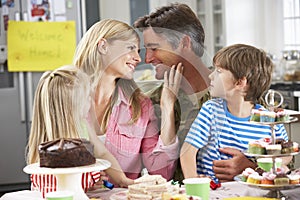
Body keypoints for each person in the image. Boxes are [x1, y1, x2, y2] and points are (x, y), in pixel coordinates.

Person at [73, 19, 182, 182]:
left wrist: (167, 106)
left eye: (138, 51)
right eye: (131, 48)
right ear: (103, 46)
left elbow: (161, 173)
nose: (138, 59)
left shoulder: (140, 106)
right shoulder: (67, 96)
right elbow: (46, 161)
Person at [180, 44, 291, 184]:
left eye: (218, 71)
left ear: (239, 82)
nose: (210, 75)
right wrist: (194, 183)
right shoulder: (211, 110)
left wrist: (270, 166)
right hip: (216, 193)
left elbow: (285, 156)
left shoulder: (269, 120)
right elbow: (187, 152)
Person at [25, 65, 133, 197]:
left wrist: (121, 179)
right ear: (71, 107)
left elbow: (103, 153)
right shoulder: (47, 148)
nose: (90, 101)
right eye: (87, 97)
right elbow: (54, 190)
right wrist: (86, 184)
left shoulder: (83, 125)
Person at [133, 3, 211, 182]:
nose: (147, 59)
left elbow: (275, 154)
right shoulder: (150, 102)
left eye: (154, 48)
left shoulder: (237, 90)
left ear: (184, 42)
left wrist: (250, 165)